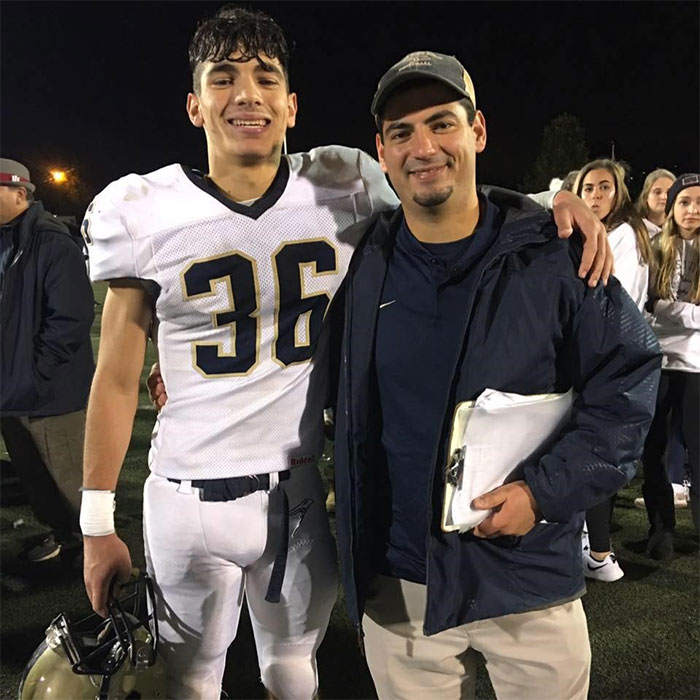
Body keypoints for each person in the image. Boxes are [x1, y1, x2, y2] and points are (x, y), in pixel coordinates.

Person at [84, 7, 607, 700]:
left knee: (295, 668)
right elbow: (116, 378)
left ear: (291, 104)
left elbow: (445, 193)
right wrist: (95, 521)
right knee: (189, 678)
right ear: (194, 104)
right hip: (185, 491)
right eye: (224, 78)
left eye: (266, 78)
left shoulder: (342, 183)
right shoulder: (145, 209)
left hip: (296, 486)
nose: (247, 95)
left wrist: (552, 202)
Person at [333, 52, 661, 700]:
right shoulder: (361, 254)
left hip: (528, 577)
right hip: (402, 586)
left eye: (441, 123)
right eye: (402, 132)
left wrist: (542, 493)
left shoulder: (557, 251)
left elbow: (628, 381)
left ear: (477, 130)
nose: (423, 146)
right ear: (382, 150)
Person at [0, 157, 94, 563]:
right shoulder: (6, 239)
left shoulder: (52, 241)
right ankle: (65, 538)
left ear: (20, 193)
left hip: (50, 396)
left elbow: (70, 320)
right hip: (12, 390)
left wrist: (35, 375)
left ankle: (101, 553)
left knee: (71, 481)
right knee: (37, 481)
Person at [574, 158, 657, 580]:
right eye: (588, 188)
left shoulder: (622, 235)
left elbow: (603, 294)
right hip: (614, 355)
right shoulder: (619, 232)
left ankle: (599, 553)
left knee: (593, 451)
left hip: (608, 355)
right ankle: (596, 549)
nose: (595, 196)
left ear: (619, 192)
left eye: (604, 188)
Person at [641, 173, 700, 559]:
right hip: (658, 361)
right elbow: (646, 305)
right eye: (684, 202)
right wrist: (686, 313)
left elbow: (660, 307)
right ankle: (661, 527)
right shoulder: (655, 248)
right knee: (654, 451)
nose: (692, 210)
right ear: (672, 206)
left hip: (696, 366)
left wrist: (667, 310)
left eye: (699, 202)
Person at [637, 168, 676, 235]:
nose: (664, 197)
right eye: (657, 192)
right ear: (646, 196)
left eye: (669, 192)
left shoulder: (682, 230)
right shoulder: (632, 230)